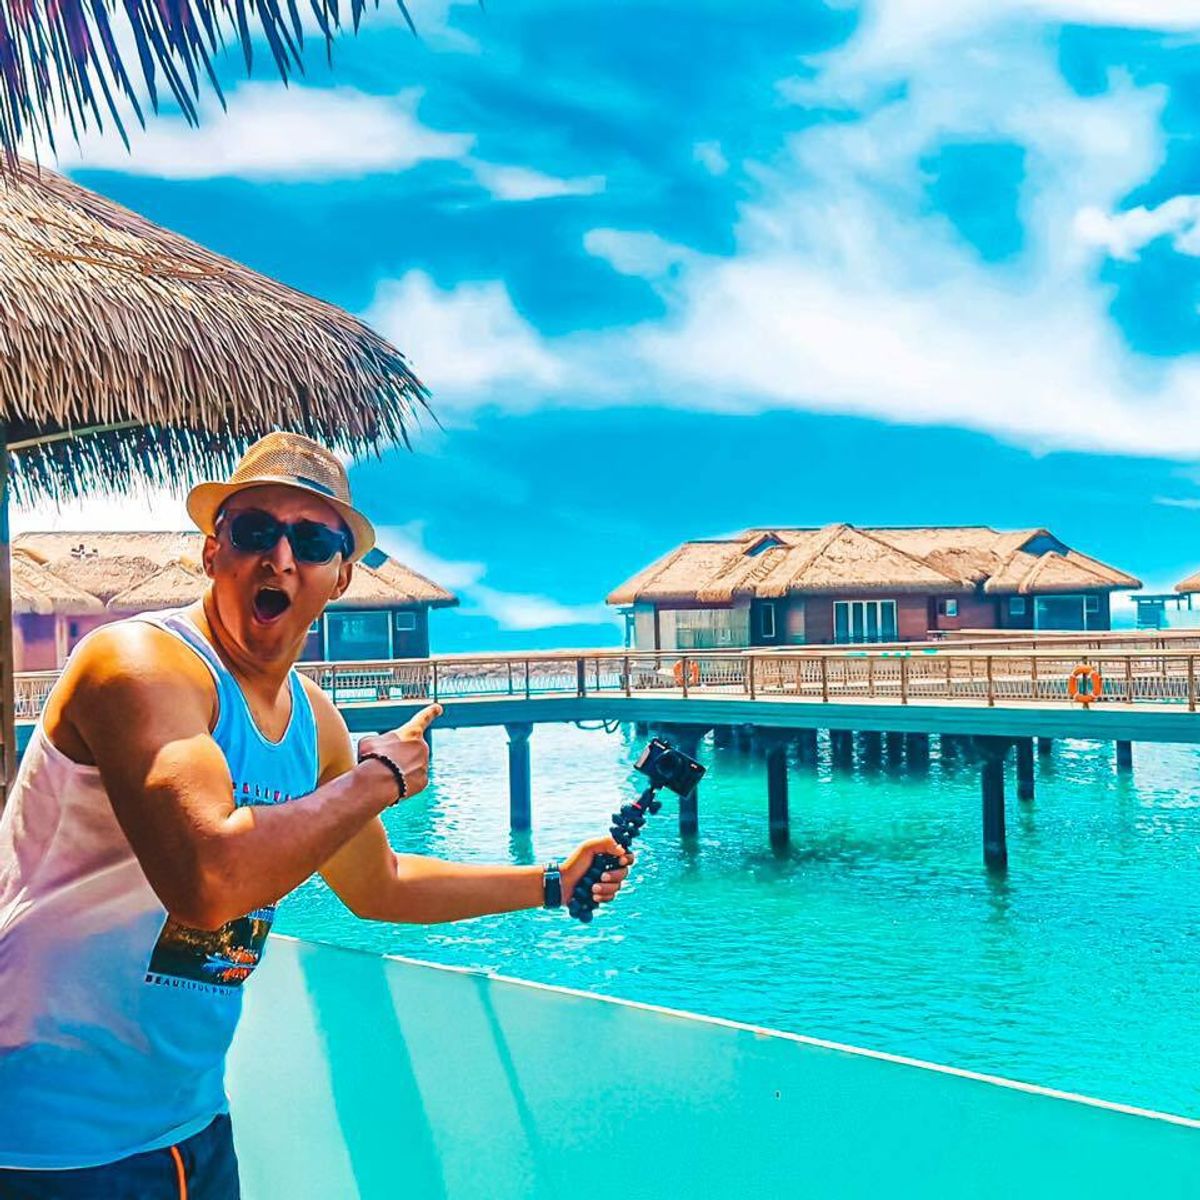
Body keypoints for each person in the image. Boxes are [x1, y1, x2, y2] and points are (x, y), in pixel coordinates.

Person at [0, 432, 634, 1198]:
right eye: (254, 532)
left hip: (188, 1121)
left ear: (340, 577)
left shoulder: (314, 721)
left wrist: (549, 884)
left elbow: (380, 884)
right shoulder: (140, 663)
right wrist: (377, 781)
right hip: (43, 1130)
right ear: (211, 552)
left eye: (311, 542)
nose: (280, 559)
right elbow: (207, 882)